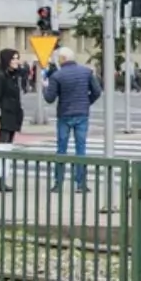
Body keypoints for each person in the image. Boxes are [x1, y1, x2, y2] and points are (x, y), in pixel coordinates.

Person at [42, 46, 100, 193]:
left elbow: (50, 98)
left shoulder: (57, 76)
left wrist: (45, 87)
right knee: (81, 149)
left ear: (62, 59)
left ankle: (58, 183)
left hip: (64, 114)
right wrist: (87, 102)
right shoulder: (86, 72)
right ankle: (80, 184)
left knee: (61, 149)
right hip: (82, 114)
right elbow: (97, 91)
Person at [0, 48, 22, 145]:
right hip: (4, 118)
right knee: (2, 146)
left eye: (17, 58)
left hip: (13, 117)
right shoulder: (0, 77)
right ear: (7, 60)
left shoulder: (13, 76)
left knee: (9, 146)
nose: (17, 61)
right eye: (13, 59)